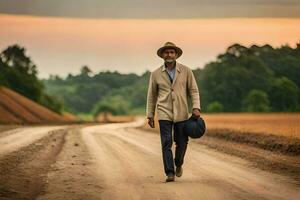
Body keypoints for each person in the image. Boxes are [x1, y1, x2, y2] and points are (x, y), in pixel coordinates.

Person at [146, 42, 201, 182]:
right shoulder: (156, 74)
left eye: (171, 52)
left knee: (182, 142)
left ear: (176, 55)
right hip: (164, 112)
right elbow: (151, 96)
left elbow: (193, 90)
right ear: (162, 55)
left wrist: (196, 107)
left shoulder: (186, 71)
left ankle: (178, 163)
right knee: (166, 142)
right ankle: (169, 172)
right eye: (166, 52)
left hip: (182, 112)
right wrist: (150, 115)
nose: (169, 54)